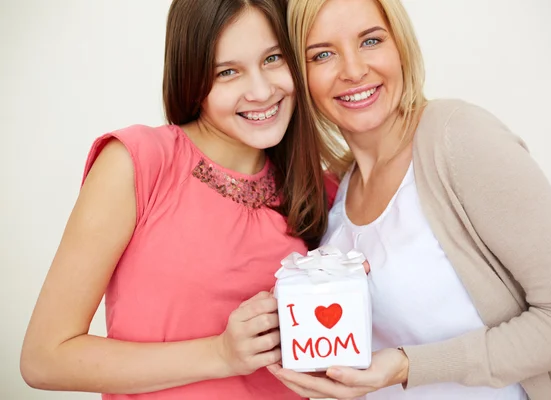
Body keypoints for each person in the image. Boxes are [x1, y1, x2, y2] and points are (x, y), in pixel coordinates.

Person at [267, 0, 551, 399]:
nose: (353, 70)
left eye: (371, 41)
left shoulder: (457, 138)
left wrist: (410, 366)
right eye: (322, 54)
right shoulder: (337, 190)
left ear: (401, 46)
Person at [20, 0, 336, 398]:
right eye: (228, 72)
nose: (261, 90)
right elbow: (45, 358)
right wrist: (219, 354)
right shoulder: (139, 163)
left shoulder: (319, 190)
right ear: (193, 77)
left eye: (273, 58)